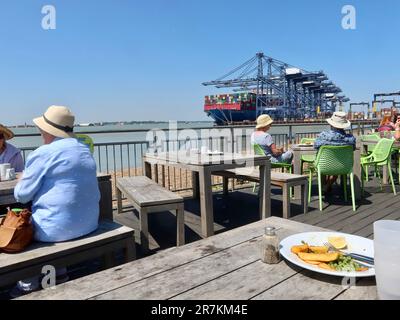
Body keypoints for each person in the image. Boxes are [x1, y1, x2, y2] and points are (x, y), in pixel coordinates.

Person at [11, 105, 100, 297]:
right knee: (58, 216)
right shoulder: (84, 150)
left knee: (20, 228)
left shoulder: (43, 153)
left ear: (46, 130)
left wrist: (22, 179)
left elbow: (21, 195)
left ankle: (28, 284)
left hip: (55, 231)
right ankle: (58, 273)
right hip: (89, 223)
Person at [314, 111, 356, 192]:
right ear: (344, 126)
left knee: (322, 166)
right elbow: (353, 148)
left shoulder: (323, 136)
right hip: (343, 166)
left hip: (324, 166)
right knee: (337, 165)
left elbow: (315, 146)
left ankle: (324, 187)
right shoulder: (351, 139)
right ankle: (327, 185)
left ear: (331, 124)